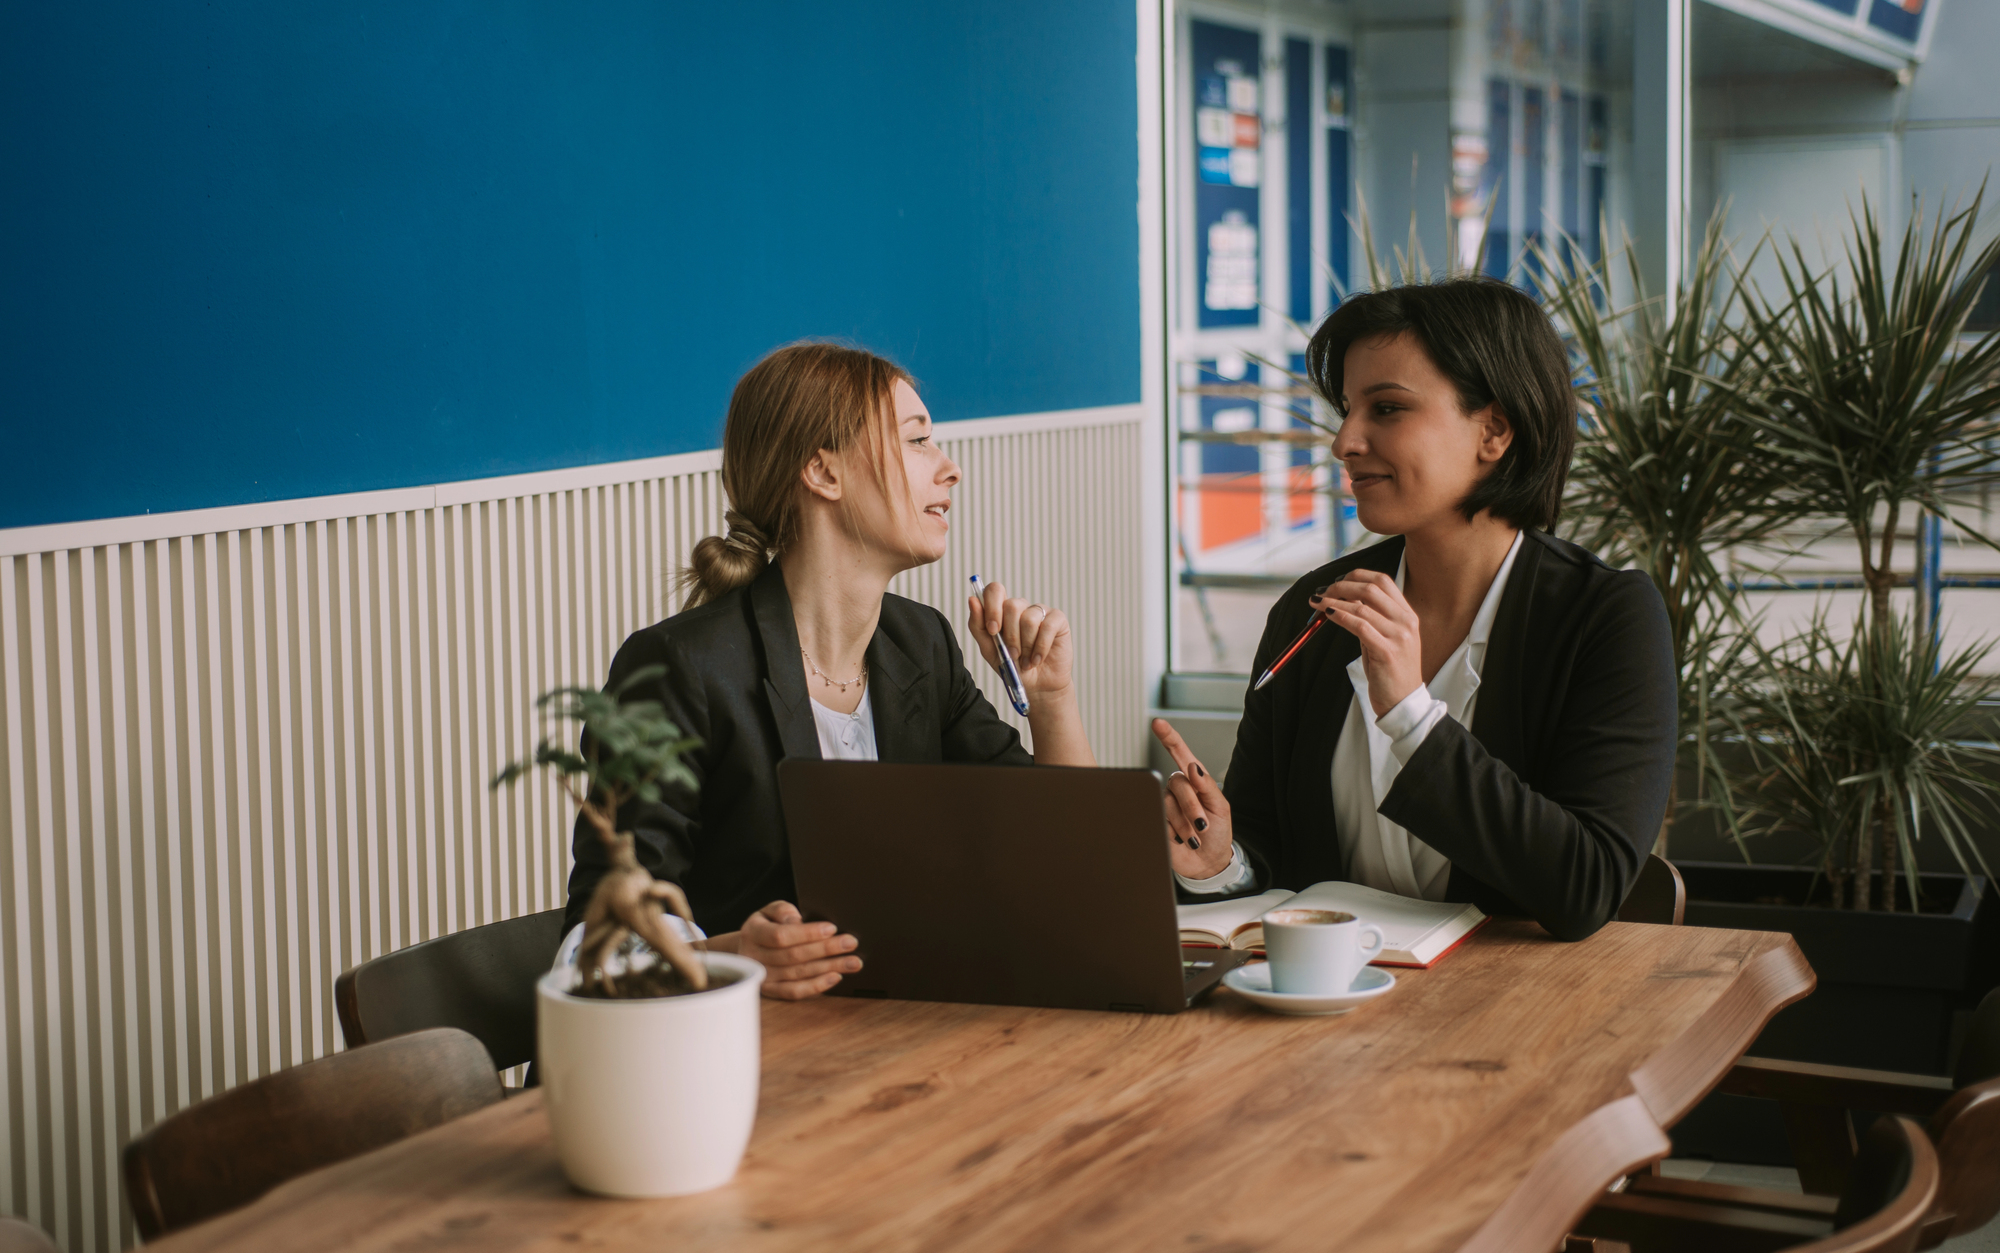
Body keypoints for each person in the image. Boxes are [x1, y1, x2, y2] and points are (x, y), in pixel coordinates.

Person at [561, 341, 1096, 998]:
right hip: (724, 1066)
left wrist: (1053, 698)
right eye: (918, 440)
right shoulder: (678, 668)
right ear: (823, 472)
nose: (951, 468)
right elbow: (598, 943)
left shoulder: (919, 643)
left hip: (889, 1040)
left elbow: (1066, 864)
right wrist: (738, 958)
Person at [1153, 278, 1674, 942]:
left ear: (1495, 430)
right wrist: (1219, 863)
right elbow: (1272, 861)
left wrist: (1410, 715)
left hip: (1516, 1021)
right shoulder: (1310, 614)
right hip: (1323, 1014)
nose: (1345, 440)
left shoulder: (1606, 619)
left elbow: (1584, 886)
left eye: (1387, 408)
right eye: (1346, 408)